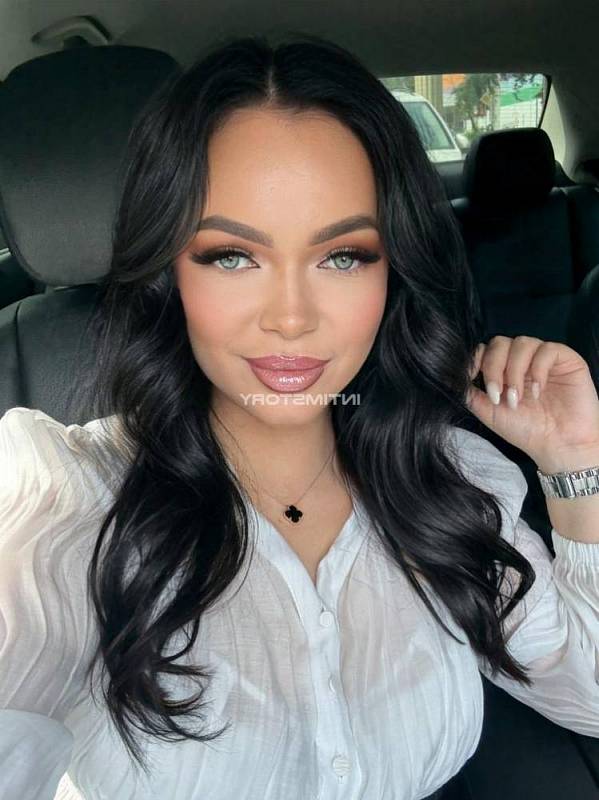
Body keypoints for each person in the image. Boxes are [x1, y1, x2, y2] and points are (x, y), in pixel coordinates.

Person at [1, 32, 599, 800]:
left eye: (342, 256)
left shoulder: (450, 479)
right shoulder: (65, 501)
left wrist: (572, 461)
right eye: (231, 255)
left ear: (393, 273)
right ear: (169, 271)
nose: (290, 317)